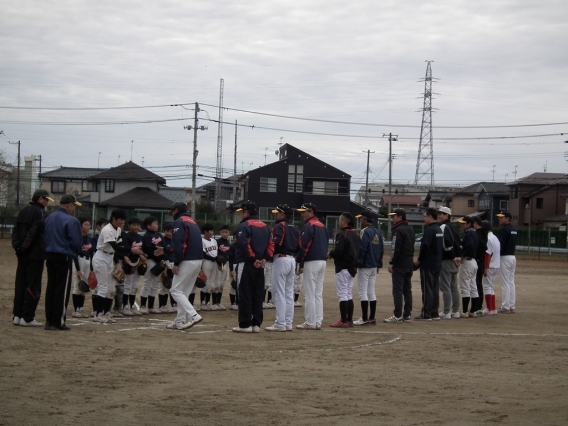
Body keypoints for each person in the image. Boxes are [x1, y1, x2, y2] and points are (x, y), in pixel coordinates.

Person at [11, 188, 52, 327]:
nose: (47, 202)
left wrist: (18, 247)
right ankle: (27, 317)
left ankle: (17, 315)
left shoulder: (23, 211)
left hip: (22, 253)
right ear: (40, 199)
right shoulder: (39, 212)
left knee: (20, 284)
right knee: (33, 284)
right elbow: (34, 231)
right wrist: (25, 246)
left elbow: (15, 230)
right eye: (46, 199)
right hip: (34, 254)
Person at [233, 200, 274, 333]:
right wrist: (264, 258)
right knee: (257, 294)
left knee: (244, 293)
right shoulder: (265, 226)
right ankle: (256, 323)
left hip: (247, 263)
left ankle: (244, 324)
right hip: (261, 265)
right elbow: (271, 244)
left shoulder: (244, 226)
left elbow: (244, 244)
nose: (241, 215)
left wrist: (253, 259)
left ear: (246, 212)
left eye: (242, 212)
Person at [43, 194, 83, 330]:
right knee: (62, 289)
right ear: (68, 205)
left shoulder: (49, 218)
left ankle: (49, 320)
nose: (73, 209)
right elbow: (77, 242)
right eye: (73, 206)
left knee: (51, 287)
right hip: (64, 256)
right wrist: (74, 251)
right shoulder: (72, 221)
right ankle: (58, 321)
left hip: (49, 255)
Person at [92, 209, 138, 323]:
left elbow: (118, 247)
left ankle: (107, 312)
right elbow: (116, 247)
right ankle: (98, 314)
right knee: (103, 287)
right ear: (113, 219)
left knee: (111, 287)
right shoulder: (107, 229)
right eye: (120, 219)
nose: (122, 222)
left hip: (110, 258)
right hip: (101, 257)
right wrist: (131, 250)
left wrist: (121, 258)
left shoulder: (117, 229)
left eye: (123, 220)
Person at [164, 202, 203, 330]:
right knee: (183, 292)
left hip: (187, 260)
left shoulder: (179, 222)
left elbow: (179, 244)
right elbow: (186, 242)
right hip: (197, 260)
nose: (172, 215)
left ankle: (193, 315)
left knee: (175, 290)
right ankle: (179, 321)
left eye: (172, 212)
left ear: (176, 210)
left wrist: (176, 262)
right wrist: (166, 249)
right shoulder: (192, 221)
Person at [265, 204, 300, 332]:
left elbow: (276, 243)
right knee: (288, 293)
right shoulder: (295, 227)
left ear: (283, 214)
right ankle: (288, 323)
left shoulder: (279, 226)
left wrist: (267, 255)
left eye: (278, 213)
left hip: (281, 259)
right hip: (292, 260)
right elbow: (299, 246)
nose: (276, 214)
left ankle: (280, 323)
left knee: (278, 292)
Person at [295, 203, 329, 330]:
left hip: (312, 261)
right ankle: (318, 321)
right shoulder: (323, 226)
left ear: (311, 211)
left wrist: (299, 260)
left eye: (304, 212)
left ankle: (310, 322)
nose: (302, 214)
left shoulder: (308, 226)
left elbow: (304, 246)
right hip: (322, 261)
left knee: (310, 293)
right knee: (317, 293)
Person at [328, 212, 360, 328]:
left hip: (343, 267)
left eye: (340, 220)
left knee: (342, 294)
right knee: (348, 294)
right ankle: (349, 319)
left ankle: (343, 320)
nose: (338, 222)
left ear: (344, 222)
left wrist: (331, 254)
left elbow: (339, 251)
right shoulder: (355, 235)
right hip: (352, 268)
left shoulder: (342, 234)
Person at [384, 209, 415, 323]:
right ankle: (407, 314)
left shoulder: (398, 231)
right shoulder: (410, 230)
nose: (393, 219)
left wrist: (392, 262)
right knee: (407, 290)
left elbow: (395, 248)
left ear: (400, 217)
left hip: (400, 263)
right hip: (409, 262)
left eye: (394, 216)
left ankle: (397, 315)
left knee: (397, 290)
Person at [353, 209, 383, 326]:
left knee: (362, 291)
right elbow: (380, 249)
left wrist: (358, 263)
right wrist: (378, 263)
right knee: (371, 291)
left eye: (361, 218)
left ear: (365, 219)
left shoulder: (364, 231)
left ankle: (364, 318)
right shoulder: (377, 232)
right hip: (374, 265)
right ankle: (372, 317)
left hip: (365, 264)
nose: (360, 220)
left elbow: (362, 248)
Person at [414, 208, 443, 321]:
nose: (423, 218)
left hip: (428, 263)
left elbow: (425, 247)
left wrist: (419, 260)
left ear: (430, 217)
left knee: (427, 289)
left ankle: (426, 313)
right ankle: (434, 312)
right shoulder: (439, 230)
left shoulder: (429, 230)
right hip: (437, 263)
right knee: (435, 289)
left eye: (425, 216)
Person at [436, 206, 463, 320]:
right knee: (453, 287)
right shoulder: (454, 227)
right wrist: (458, 258)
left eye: (441, 213)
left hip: (447, 260)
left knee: (445, 286)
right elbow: (459, 244)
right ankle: (455, 311)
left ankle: (446, 311)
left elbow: (447, 244)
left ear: (447, 215)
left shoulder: (444, 227)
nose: (439, 215)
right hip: (455, 260)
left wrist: (453, 258)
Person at [457, 216, 481, 318]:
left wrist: (462, 256)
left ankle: (465, 311)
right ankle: (473, 310)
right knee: (473, 287)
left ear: (469, 224)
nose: (462, 225)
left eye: (464, 223)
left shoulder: (468, 234)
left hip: (467, 261)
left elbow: (470, 245)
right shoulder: (475, 233)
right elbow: (483, 246)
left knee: (465, 287)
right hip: (474, 262)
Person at [121, 217, 146, 316]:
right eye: (134, 225)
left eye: (138, 225)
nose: (136, 227)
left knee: (135, 285)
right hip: (129, 262)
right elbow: (126, 249)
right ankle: (125, 307)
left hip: (138, 262)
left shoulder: (140, 237)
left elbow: (142, 250)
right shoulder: (127, 236)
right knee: (127, 284)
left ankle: (132, 306)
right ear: (129, 226)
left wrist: (142, 256)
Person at [140, 216, 164, 314]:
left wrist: (161, 259)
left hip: (159, 261)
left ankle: (151, 306)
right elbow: (148, 250)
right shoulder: (146, 236)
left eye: (157, 224)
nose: (156, 225)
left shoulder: (159, 235)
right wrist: (157, 258)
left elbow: (163, 247)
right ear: (148, 226)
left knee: (155, 284)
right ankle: (142, 306)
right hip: (150, 260)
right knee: (147, 283)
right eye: (154, 224)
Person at [71, 217, 94, 318]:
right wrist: (78, 269)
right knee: (77, 285)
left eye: (89, 225)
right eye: (85, 225)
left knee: (84, 285)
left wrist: (92, 268)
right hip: (78, 260)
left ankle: (81, 308)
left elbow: (90, 252)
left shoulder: (88, 238)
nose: (88, 227)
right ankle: (76, 310)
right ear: (80, 226)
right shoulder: (77, 237)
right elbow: (74, 253)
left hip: (87, 261)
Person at [496, 211, 518, 313]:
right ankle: (511, 305)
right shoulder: (513, 229)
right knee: (510, 282)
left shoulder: (504, 230)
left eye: (502, 217)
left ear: (508, 218)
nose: (499, 219)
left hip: (504, 257)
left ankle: (505, 306)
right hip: (512, 257)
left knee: (505, 283)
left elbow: (501, 244)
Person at [482, 221, 501, 315]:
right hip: (496, 265)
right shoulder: (495, 237)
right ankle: (493, 308)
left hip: (490, 265)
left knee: (487, 286)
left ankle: (489, 308)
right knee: (490, 286)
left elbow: (487, 254)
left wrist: (485, 268)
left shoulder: (488, 238)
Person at [471, 216, 488, 316]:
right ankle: (479, 305)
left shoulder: (478, 233)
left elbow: (483, 247)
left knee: (476, 284)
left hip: (478, 260)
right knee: (478, 283)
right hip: (481, 261)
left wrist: (476, 254)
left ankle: (477, 305)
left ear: (475, 224)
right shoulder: (484, 233)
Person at [200, 223, 218, 310]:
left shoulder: (214, 241)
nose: (212, 232)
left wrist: (217, 258)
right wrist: (212, 257)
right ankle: (202, 303)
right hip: (206, 262)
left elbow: (216, 252)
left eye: (212, 230)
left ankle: (207, 302)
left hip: (214, 263)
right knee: (205, 282)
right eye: (210, 231)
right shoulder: (202, 241)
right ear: (205, 232)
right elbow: (203, 254)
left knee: (211, 283)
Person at [214, 225, 231, 310]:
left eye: (226, 232)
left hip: (225, 264)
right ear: (220, 233)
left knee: (222, 283)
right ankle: (214, 302)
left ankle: (218, 302)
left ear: (229, 233)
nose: (224, 234)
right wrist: (218, 258)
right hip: (217, 264)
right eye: (223, 232)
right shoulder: (217, 242)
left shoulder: (228, 243)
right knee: (216, 283)